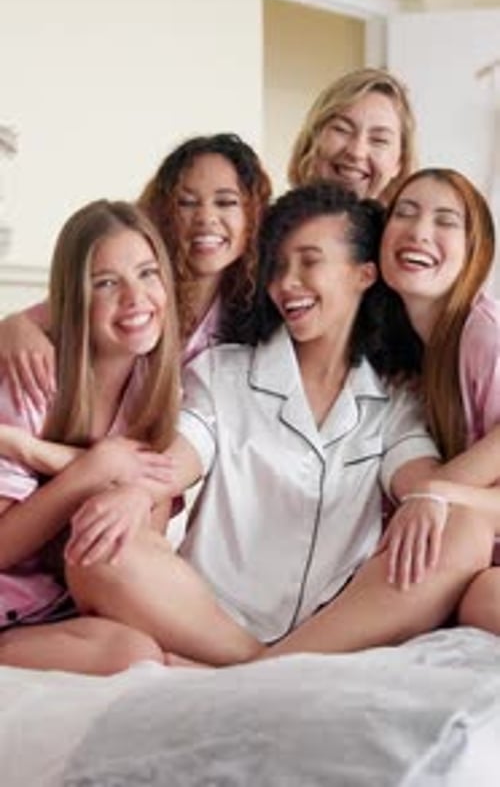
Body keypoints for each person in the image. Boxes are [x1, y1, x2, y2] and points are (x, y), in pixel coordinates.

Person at [58, 184, 491, 661]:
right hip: (208, 616)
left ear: (364, 274)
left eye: (309, 261)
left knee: (464, 532)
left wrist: (437, 497)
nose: (287, 283)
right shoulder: (223, 371)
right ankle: (262, 667)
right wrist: (137, 493)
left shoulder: (394, 398)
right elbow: (180, 457)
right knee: (95, 545)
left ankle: (256, 668)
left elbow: (421, 481)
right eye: (279, 267)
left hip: (337, 623)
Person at [0, 198, 256, 672]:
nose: (135, 298)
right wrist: (90, 474)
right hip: (10, 608)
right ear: (75, 297)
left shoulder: (152, 391)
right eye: (106, 283)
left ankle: (260, 662)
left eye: (147, 273)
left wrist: (63, 463)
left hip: (64, 605)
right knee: (137, 649)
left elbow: (142, 538)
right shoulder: (31, 381)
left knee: (143, 652)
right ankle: (265, 667)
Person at [0, 133, 272, 407]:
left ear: (254, 214)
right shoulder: (138, 290)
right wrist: (16, 329)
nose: (206, 218)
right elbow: (25, 325)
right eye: (187, 203)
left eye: (226, 202)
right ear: (165, 212)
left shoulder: (257, 312)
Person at [379, 166, 500, 633]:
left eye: (446, 221)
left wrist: (437, 492)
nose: (420, 232)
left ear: (475, 250)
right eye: (404, 214)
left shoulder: (483, 336)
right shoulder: (406, 356)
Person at [288, 67, 416, 204]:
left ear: (399, 163)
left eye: (379, 140)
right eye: (342, 129)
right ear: (312, 138)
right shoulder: (270, 222)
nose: (356, 152)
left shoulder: (410, 225)